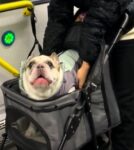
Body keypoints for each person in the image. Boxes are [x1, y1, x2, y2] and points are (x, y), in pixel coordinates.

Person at [42, 0, 133, 150]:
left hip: (124, 28)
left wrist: (85, 64)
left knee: (122, 106)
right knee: (88, 101)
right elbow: (59, 13)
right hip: (92, 29)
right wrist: (47, 60)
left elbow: (103, 9)